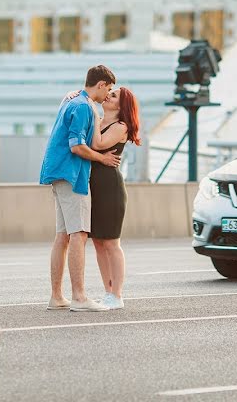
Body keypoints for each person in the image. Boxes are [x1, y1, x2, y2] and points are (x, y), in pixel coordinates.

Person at [40, 65, 121, 312]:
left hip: (57, 172)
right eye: (108, 89)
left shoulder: (71, 100)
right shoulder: (84, 106)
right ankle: (79, 296)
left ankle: (57, 296)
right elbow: (77, 146)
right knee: (79, 234)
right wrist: (103, 159)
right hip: (72, 174)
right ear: (100, 84)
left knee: (63, 236)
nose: (108, 94)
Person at [89, 86, 141, 311]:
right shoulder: (99, 120)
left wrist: (90, 113)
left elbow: (97, 144)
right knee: (98, 243)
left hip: (110, 188)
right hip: (93, 187)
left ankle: (117, 294)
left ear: (121, 106)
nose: (109, 95)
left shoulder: (121, 126)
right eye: (110, 92)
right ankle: (108, 292)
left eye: (114, 95)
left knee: (111, 242)